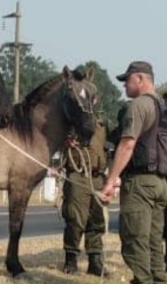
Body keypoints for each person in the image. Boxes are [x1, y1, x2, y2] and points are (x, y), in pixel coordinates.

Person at [100, 61, 167, 284]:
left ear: (140, 79)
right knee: (153, 240)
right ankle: (158, 279)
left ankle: (143, 280)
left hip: (140, 183)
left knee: (134, 240)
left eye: (127, 80)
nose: (124, 86)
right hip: (161, 184)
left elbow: (127, 144)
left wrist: (111, 180)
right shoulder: (163, 107)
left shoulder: (138, 106)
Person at [60, 117, 109, 277]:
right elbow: (55, 140)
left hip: (98, 178)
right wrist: (66, 141)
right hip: (78, 174)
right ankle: (71, 259)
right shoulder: (70, 120)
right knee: (75, 219)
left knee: (97, 221)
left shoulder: (101, 124)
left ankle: (95, 261)